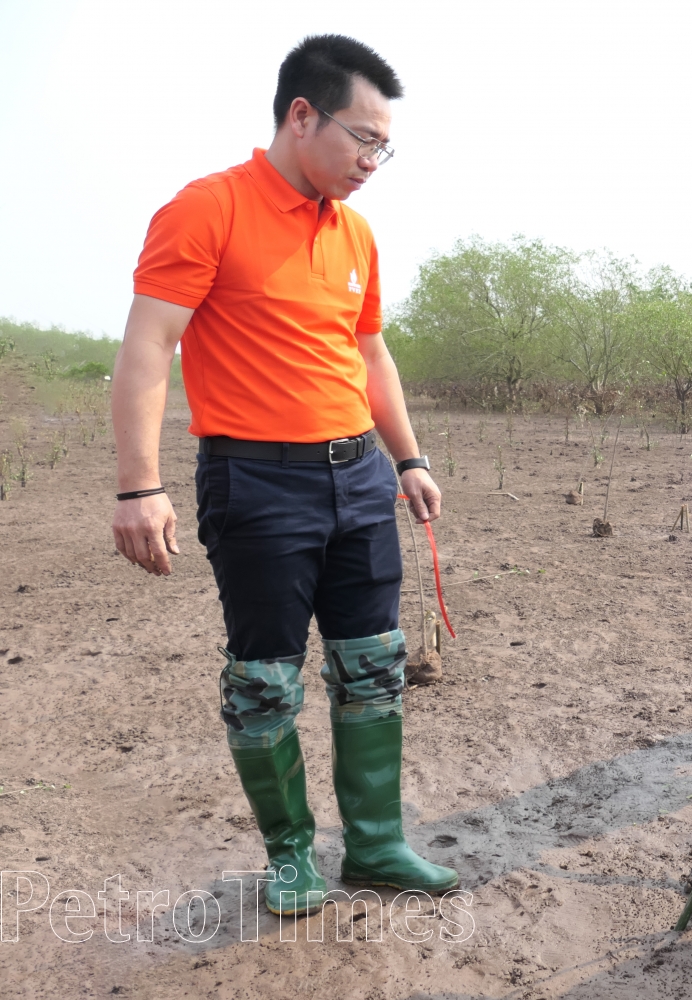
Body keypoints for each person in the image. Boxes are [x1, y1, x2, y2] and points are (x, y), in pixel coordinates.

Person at [110, 35, 455, 915]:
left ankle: (376, 846)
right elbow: (150, 343)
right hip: (256, 483)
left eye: (386, 146)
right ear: (302, 116)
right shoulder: (208, 209)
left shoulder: (356, 233)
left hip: (360, 479)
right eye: (363, 139)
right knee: (266, 678)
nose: (375, 161)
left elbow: (369, 350)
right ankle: (292, 855)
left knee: (373, 664)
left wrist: (407, 458)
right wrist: (138, 485)